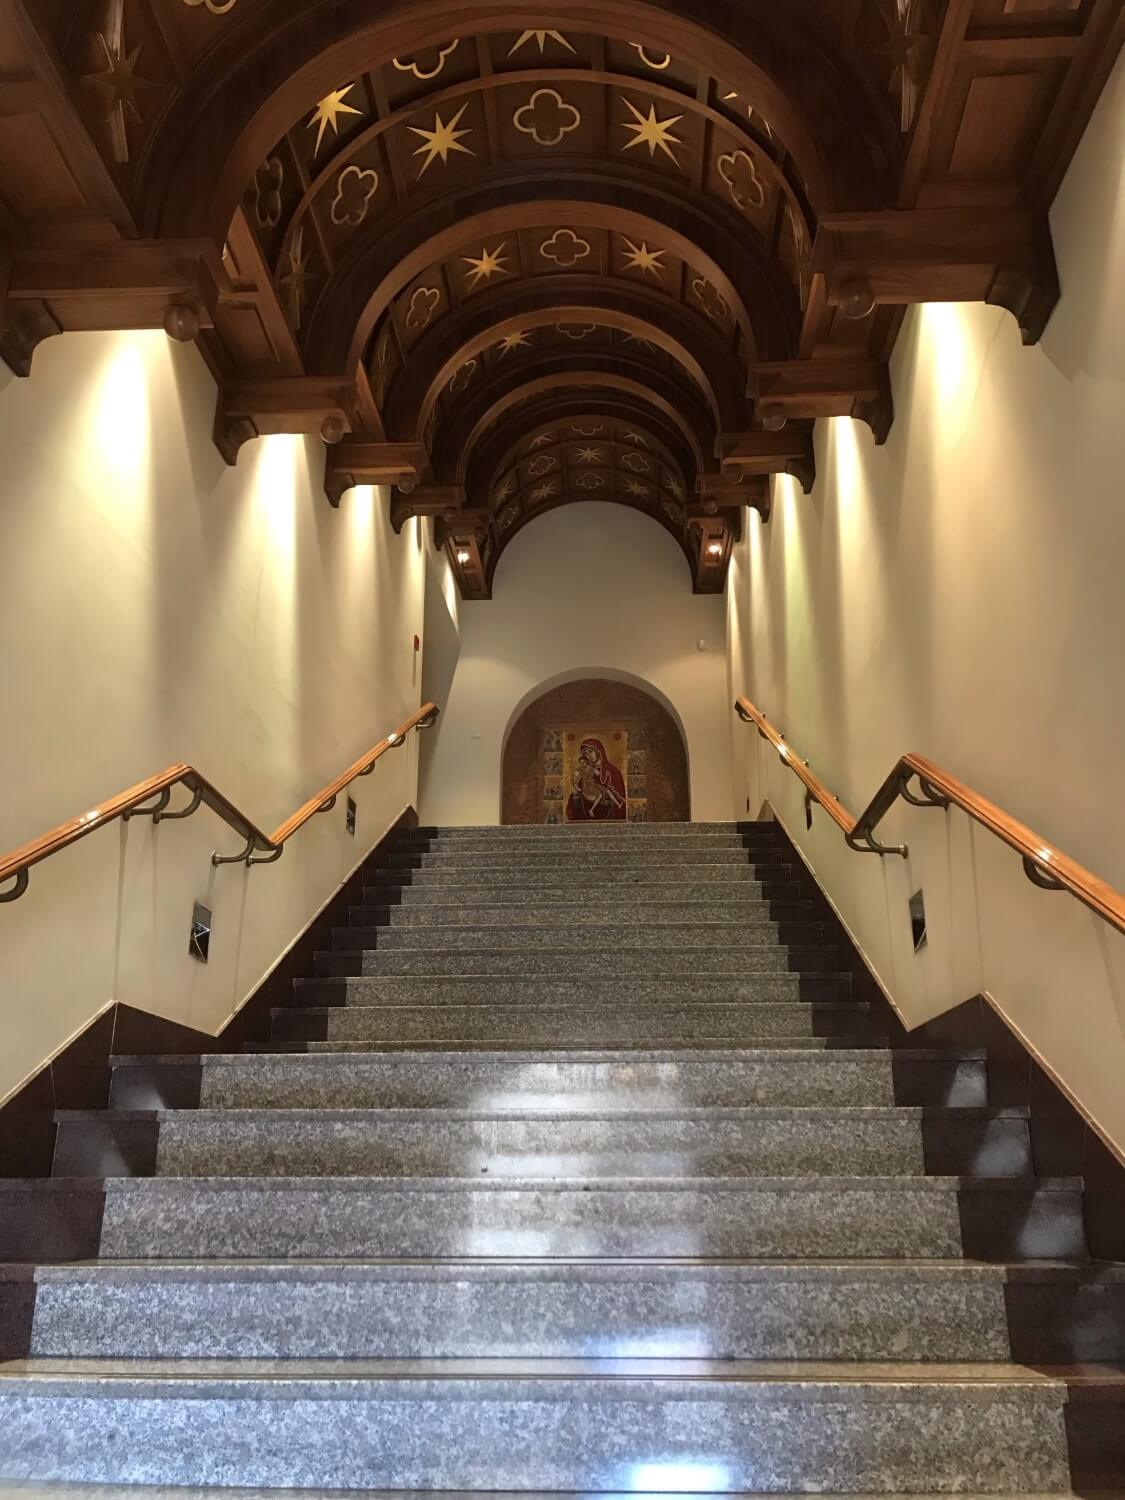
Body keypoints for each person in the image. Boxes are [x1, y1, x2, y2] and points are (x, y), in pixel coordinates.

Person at [567, 737, 627, 821]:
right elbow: (580, 788)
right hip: (587, 811)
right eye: (586, 754)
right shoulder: (585, 771)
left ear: (598, 751)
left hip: (608, 812)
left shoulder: (612, 771)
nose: (588, 755)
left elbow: (618, 793)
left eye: (590, 751)